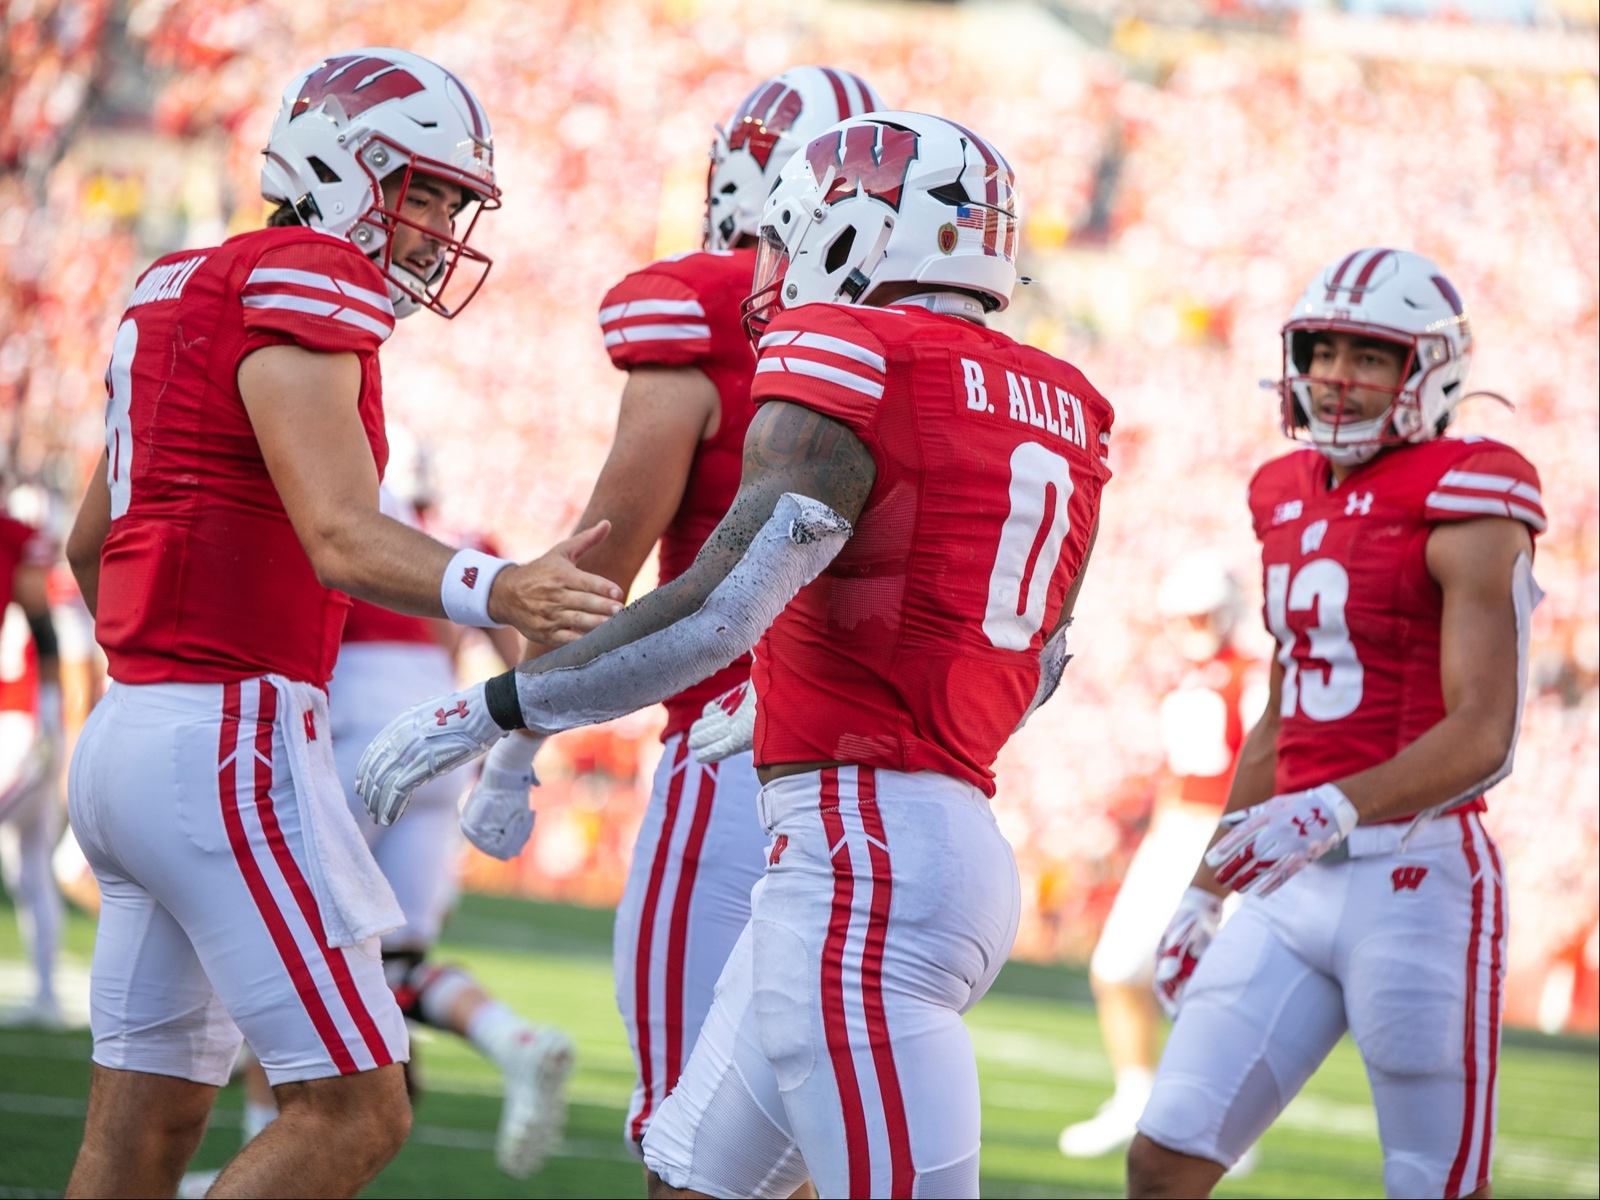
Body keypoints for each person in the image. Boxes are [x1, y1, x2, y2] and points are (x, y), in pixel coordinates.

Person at [357, 109, 1115, 1198]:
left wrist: (491, 713)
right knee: (688, 1176)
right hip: (900, 845)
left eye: (789, 229)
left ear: (854, 229)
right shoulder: (1064, 405)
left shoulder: (850, 350)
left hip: (864, 858)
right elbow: (1030, 660)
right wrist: (793, 700)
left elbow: (713, 616)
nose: (771, 260)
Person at [61, 48, 622, 1199]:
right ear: (343, 164)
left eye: (454, 200)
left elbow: (88, 544)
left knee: (140, 1134)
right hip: (225, 738)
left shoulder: (177, 286)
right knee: (356, 1110)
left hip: (130, 735)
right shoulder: (308, 279)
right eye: (427, 191)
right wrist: (500, 587)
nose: (439, 225)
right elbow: (340, 534)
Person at [463, 64, 884, 1161]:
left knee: (687, 1128)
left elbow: (598, 560)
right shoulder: (943, 353)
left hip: (736, 750)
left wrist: (508, 747)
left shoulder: (700, 309)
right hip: (884, 778)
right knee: (795, 1137)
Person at [1129, 248, 1544, 1200]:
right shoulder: (1282, 493)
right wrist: (1203, 889)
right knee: (1163, 1159)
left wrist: (1334, 809)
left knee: (1429, 1184)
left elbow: (1487, 732)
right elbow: (1286, 710)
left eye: (1369, 357)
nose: (1336, 379)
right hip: (1287, 886)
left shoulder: (1474, 492)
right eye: (1322, 352)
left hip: (1418, 875)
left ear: (1427, 371)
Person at [1058, 551, 1259, 1160]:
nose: (1194, 627)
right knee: (1118, 967)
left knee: (1218, 983)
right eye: (1187, 617)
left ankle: (1222, 1120)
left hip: (1223, 834)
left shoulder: (1252, 675)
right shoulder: (1185, 678)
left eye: (1205, 615)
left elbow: (1261, 765)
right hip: (1171, 835)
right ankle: (1135, 1097)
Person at [0, 508, 65, 1029]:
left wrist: (48, 711)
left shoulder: (15, 539)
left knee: (34, 865)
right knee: (29, 870)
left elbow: (43, 625)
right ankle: (44, 988)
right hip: (28, 723)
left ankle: (45, 989)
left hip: (21, 726)